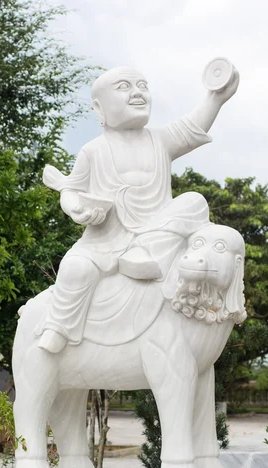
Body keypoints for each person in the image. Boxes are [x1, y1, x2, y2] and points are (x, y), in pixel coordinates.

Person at [36, 65, 239, 353]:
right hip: (105, 239)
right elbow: (71, 189)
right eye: (124, 87)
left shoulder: (160, 140)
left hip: (156, 237)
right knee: (74, 267)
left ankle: (142, 251)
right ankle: (59, 326)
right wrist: (76, 210)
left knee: (194, 201)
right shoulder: (93, 150)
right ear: (99, 108)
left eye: (142, 86)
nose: (137, 93)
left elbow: (192, 127)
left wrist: (215, 97)